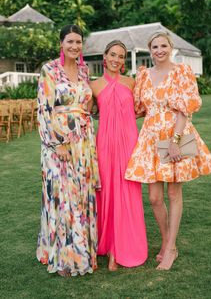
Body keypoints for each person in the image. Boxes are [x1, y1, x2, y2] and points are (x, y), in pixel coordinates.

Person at [125, 32, 211, 271]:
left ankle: (171, 248)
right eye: (154, 46)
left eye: (163, 45)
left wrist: (175, 141)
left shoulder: (182, 72)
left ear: (171, 47)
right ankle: (167, 240)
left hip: (175, 133)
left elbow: (185, 109)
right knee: (155, 198)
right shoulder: (144, 75)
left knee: (174, 193)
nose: (159, 50)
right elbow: (138, 109)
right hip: (150, 136)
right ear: (150, 49)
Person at [36, 24, 100, 277]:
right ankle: (64, 259)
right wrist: (57, 142)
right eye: (70, 41)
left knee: (81, 195)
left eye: (78, 42)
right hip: (58, 143)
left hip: (83, 143)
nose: (75, 46)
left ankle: (82, 252)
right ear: (61, 43)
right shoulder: (49, 70)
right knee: (62, 196)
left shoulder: (84, 71)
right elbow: (43, 109)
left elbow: (88, 104)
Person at [90, 40, 148, 271]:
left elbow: (141, 110)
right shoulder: (93, 86)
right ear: (105, 56)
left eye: (121, 56)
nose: (116, 59)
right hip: (104, 144)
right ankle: (108, 245)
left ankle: (120, 248)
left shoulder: (132, 83)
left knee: (127, 191)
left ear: (124, 60)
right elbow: (86, 112)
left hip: (128, 144)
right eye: (112, 54)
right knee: (107, 193)